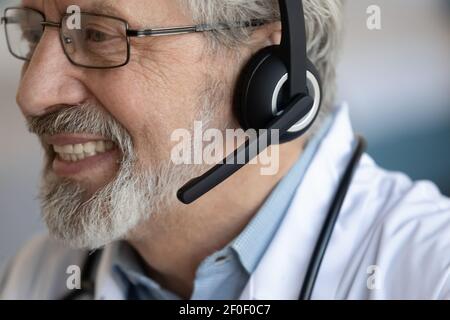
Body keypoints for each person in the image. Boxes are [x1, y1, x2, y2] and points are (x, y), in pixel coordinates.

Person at [0, 0, 449, 300]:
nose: (33, 94)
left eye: (98, 35)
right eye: (32, 32)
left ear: (272, 76)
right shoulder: (32, 279)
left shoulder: (431, 275)